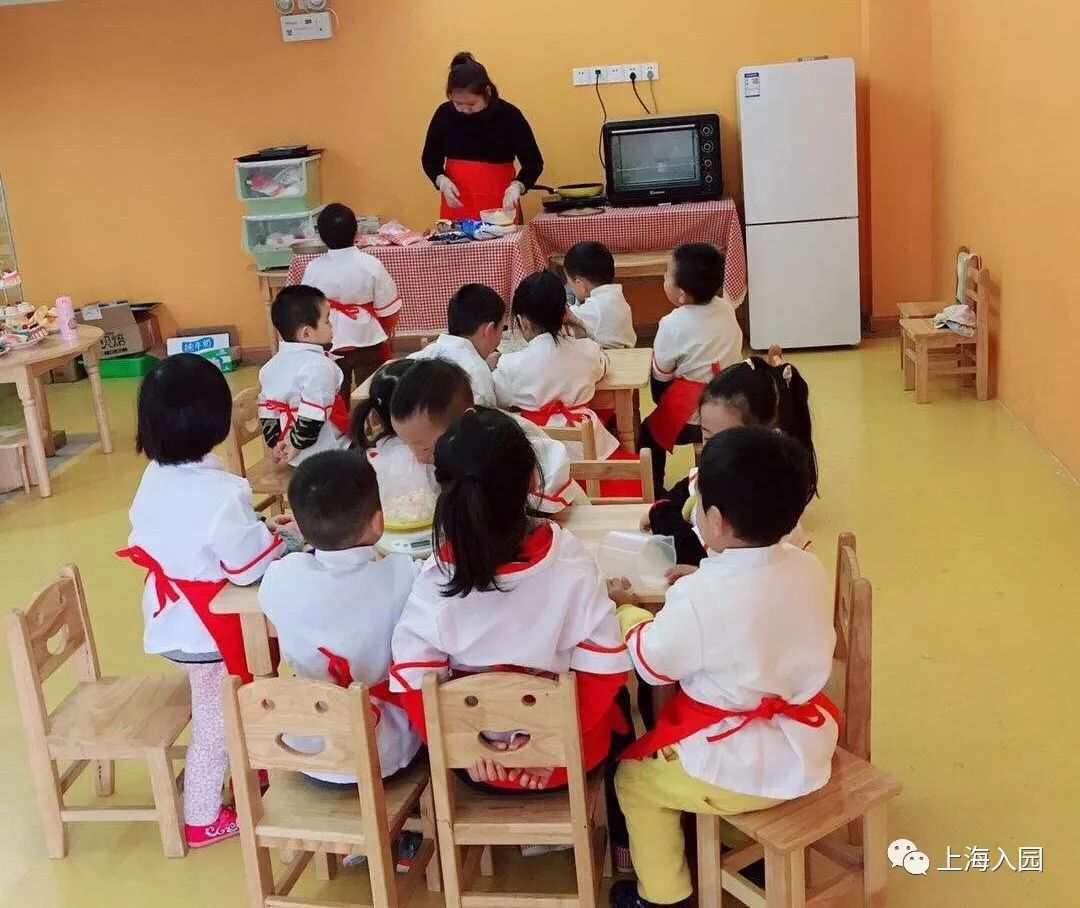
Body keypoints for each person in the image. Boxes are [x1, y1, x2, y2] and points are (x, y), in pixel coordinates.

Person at [607, 427, 837, 908]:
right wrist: (704, 579)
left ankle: (663, 897)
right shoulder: (807, 566)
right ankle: (739, 844)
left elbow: (651, 664)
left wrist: (627, 610)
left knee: (634, 783)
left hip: (735, 761)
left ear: (715, 519)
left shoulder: (700, 598)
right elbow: (753, 602)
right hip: (804, 747)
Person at [389, 408, 630, 795]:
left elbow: (415, 686)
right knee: (625, 707)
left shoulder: (435, 579)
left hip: (478, 763)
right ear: (533, 479)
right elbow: (604, 673)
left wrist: (468, 748)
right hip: (564, 759)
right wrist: (544, 746)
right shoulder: (569, 560)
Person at [117, 354, 287, 848]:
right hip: (207, 631)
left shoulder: (155, 477)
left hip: (170, 616)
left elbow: (191, 540)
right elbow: (248, 567)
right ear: (216, 422)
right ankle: (201, 816)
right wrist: (276, 541)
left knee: (221, 707)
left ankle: (251, 765)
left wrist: (260, 529)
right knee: (216, 721)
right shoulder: (222, 492)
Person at [258, 450, 422, 784]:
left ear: (301, 526)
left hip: (309, 752)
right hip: (384, 751)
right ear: (378, 521)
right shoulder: (402, 575)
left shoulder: (282, 576)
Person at [645, 355, 818, 570]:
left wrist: (660, 513)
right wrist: (663, 510)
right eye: (707, 436)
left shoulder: (763, 511)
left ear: (768, 439)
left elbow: (690, 551)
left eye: (726, 439)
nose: (713, 450)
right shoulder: (727, 474)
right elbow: (684, 490)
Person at [390, 357, 588, 514]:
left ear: (465, 420)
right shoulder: (443, 441)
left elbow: (548, 501)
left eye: (425, 447)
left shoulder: (510, 442)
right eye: (407, 444)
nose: (418, 457)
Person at [638, 244, 743, 494]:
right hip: (735, 402)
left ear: (682, 295)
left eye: (667, 272)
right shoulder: (726, 307)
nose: (664, 276)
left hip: (694, 417)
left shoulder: (672, 324)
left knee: (648, 433)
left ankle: (655, 491)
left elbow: (660, 376)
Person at [493, 270, 619, 460]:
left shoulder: (509, 366)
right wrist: (579, 325)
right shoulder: (587, 351)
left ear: (522, 322)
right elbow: (604, 362)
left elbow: (500, 399)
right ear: (565, 314)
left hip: (540, 455)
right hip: (589, 451)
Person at [421, 52, 544, 222]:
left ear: (487, 92)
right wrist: (441, 180)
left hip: (500, 204)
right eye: (457, 103)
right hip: (457, 205)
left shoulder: (509, 115)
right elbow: (430, 159)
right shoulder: (444, 114)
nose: (464, 109)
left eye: (471, 104)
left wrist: (518, 185)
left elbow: (533, 162)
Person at [298, 203, 402, 398]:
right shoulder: (371, 264)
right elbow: (389, 309)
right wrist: (385, 332)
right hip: (368, 339)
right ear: (357, 232)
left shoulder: (313, 268)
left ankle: (342, 418)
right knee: (372, 394)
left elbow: (306, 309)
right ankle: (371, 417)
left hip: (329, 342)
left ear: (321, 236)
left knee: (336, 395)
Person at [259, 284, 351, 467]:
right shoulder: (318, 366)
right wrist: (296, 444)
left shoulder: (268, 367)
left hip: (289, 452)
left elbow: (268, 411)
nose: (331, 327)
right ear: (306, 333)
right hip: (326, 451)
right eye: (327, 321)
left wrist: (276, 443)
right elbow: (314, 414)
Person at [409, 283, 505, 407]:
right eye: (502, 329)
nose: (500, 338)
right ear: (490, 330)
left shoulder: (414, 358)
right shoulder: (476, 373)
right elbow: (485, 416)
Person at [563, 241, 637, 350]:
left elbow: (565, 316)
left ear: (580, 284)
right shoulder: (616, 296)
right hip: (626, 354)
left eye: (569, 282)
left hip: (610, 359)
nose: (570, 286)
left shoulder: (595, 309)